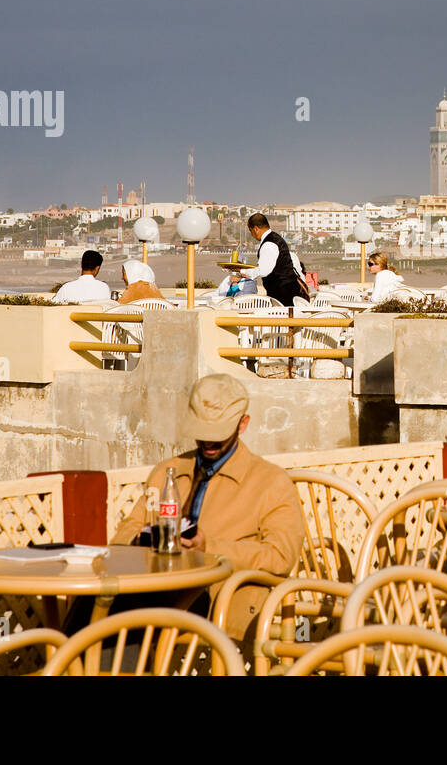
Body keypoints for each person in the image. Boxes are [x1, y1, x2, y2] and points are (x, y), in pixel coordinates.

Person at [110, 374, 305, 643]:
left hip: (217, 597)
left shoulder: (270, 481)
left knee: (123, 613)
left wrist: (209, 548)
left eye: (218, 434)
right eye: (202, 432)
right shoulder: (168, 471)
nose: (208, 442)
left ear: (243, 424)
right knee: (97, 601)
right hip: (156, 586)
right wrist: (144, 539)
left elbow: (280, 557)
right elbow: (124, 535)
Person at [236, 213, 309, 307]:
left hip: (283, 295)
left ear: (256, 229)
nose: (252, 235)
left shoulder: (268, 244)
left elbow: (264, 270)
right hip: (288, 292)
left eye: (251, 231)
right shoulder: (275, 238)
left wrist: (241, 270)